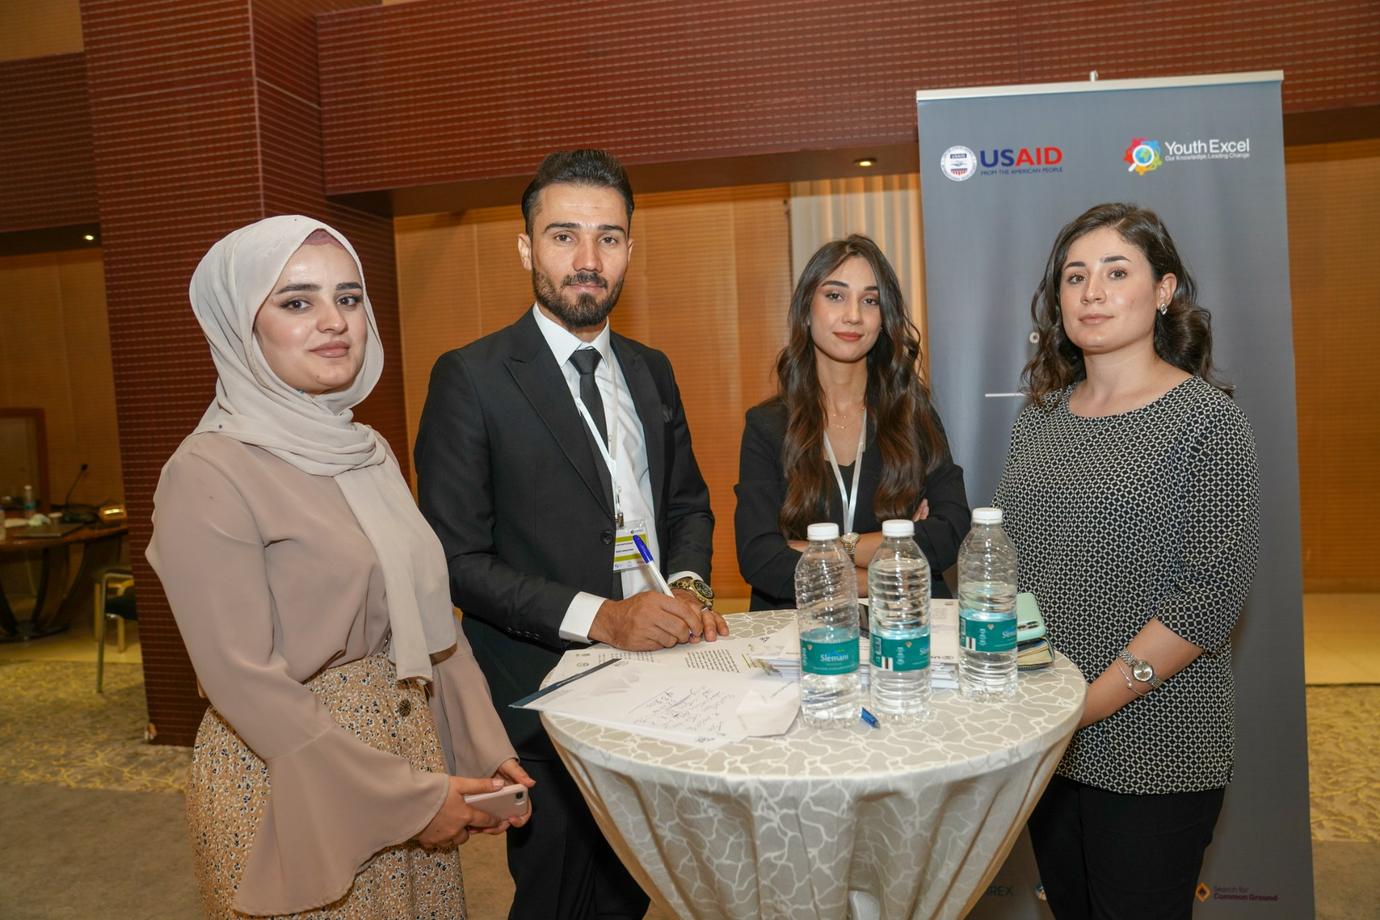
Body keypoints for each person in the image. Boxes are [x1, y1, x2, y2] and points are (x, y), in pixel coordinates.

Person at [148, 215, 531, 919]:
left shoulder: (367, 449)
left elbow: (427, 618)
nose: (334, 321)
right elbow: (244, 681)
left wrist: (481, 746)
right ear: (240, 326)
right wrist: (410, 801)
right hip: (290, 774)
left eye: (348, 298)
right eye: (297, 301)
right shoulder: (207, 472)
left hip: (406, 753)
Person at [415, 148, 725, 920]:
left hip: (658, 681)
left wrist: (687, 588)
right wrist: (604, 617)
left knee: (629, 888)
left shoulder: (651, 370)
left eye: (608, 238)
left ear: (629, 249)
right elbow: (456, 559)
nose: (588, 260)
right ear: (527, 248)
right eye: (564, 236)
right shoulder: (472, 378)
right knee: (556, 893)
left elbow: (686, 504)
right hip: (541, 690)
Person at [993, 202, 1262, 918]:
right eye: (1075, 276)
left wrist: (1086, 705)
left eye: (1117, 272)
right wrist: (1042, 704)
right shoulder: (1039, 419)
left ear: (1164, 290)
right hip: (1051, 740)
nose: (1093, 292)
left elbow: (1208, 598)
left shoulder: (1207, 420)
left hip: (1159, 743)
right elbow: (1012, 567)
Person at [734, 234, 970, 609]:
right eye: (835, 296)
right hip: (804, 630)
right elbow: (761, 557)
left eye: (870, 300)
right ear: (806, 309)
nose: (854, 315)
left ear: (884, 318)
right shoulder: (768, 426)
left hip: (904, 625)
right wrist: (894, 556)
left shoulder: (912, 412)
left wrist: (817, 548)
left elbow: (950, 532)